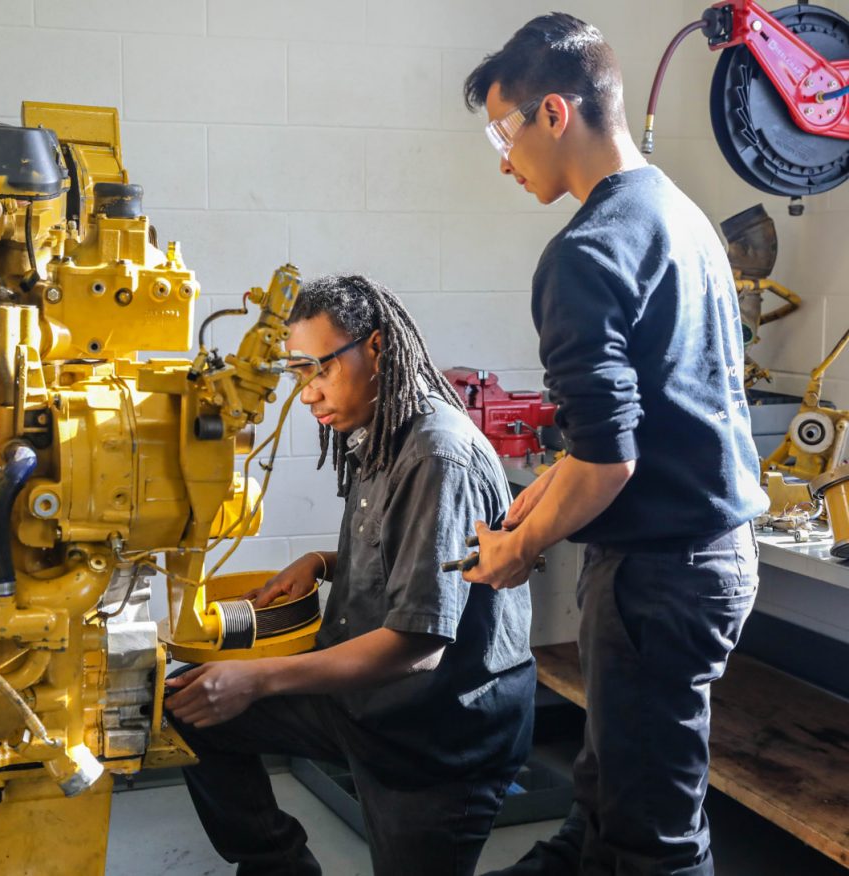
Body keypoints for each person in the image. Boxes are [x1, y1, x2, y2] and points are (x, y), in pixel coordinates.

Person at [461, 13, 769, 876]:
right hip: (710, 555)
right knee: (610, 793)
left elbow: (610, 458)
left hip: (662, 574)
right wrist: (539, 495)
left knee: (652, 843)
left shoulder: (583, 253)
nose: (502, 159)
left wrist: (517, 550)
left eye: (503, 130)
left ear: (552, 114)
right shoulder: (684, 216)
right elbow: (639, 419)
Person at [165, 274, 536, 876]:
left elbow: (418, 644)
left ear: (378, 347)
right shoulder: (381, 430)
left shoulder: (437, 454)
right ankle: (279, 866)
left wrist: (257, 681)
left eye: (320, 369)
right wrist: (321, 562)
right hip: (363, 703)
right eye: (298, 375)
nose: (308, 394)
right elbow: (408, 554)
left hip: (435, 731)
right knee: (185, 701)